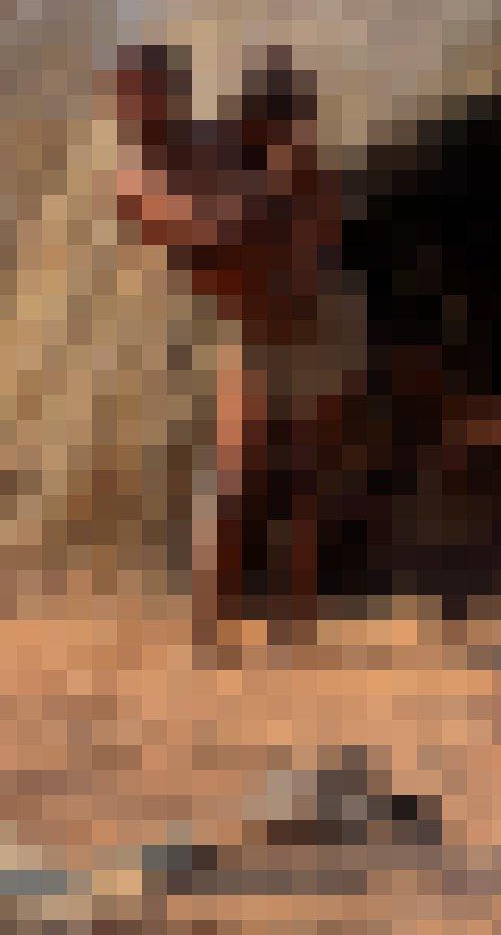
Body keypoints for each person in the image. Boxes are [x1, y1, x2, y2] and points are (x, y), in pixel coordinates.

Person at [114, 44, 342, 625]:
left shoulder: (219, 139)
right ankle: (213, 617)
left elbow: (312, 198)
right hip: (249, 323)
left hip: (312, 312)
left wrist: (288, 166)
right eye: (136, 95)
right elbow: (211, 226)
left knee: (305, 470)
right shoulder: (135, 179)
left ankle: (292, 615)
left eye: (157, 91)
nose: (146, 106)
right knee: (238, 470)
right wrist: (275, 180)